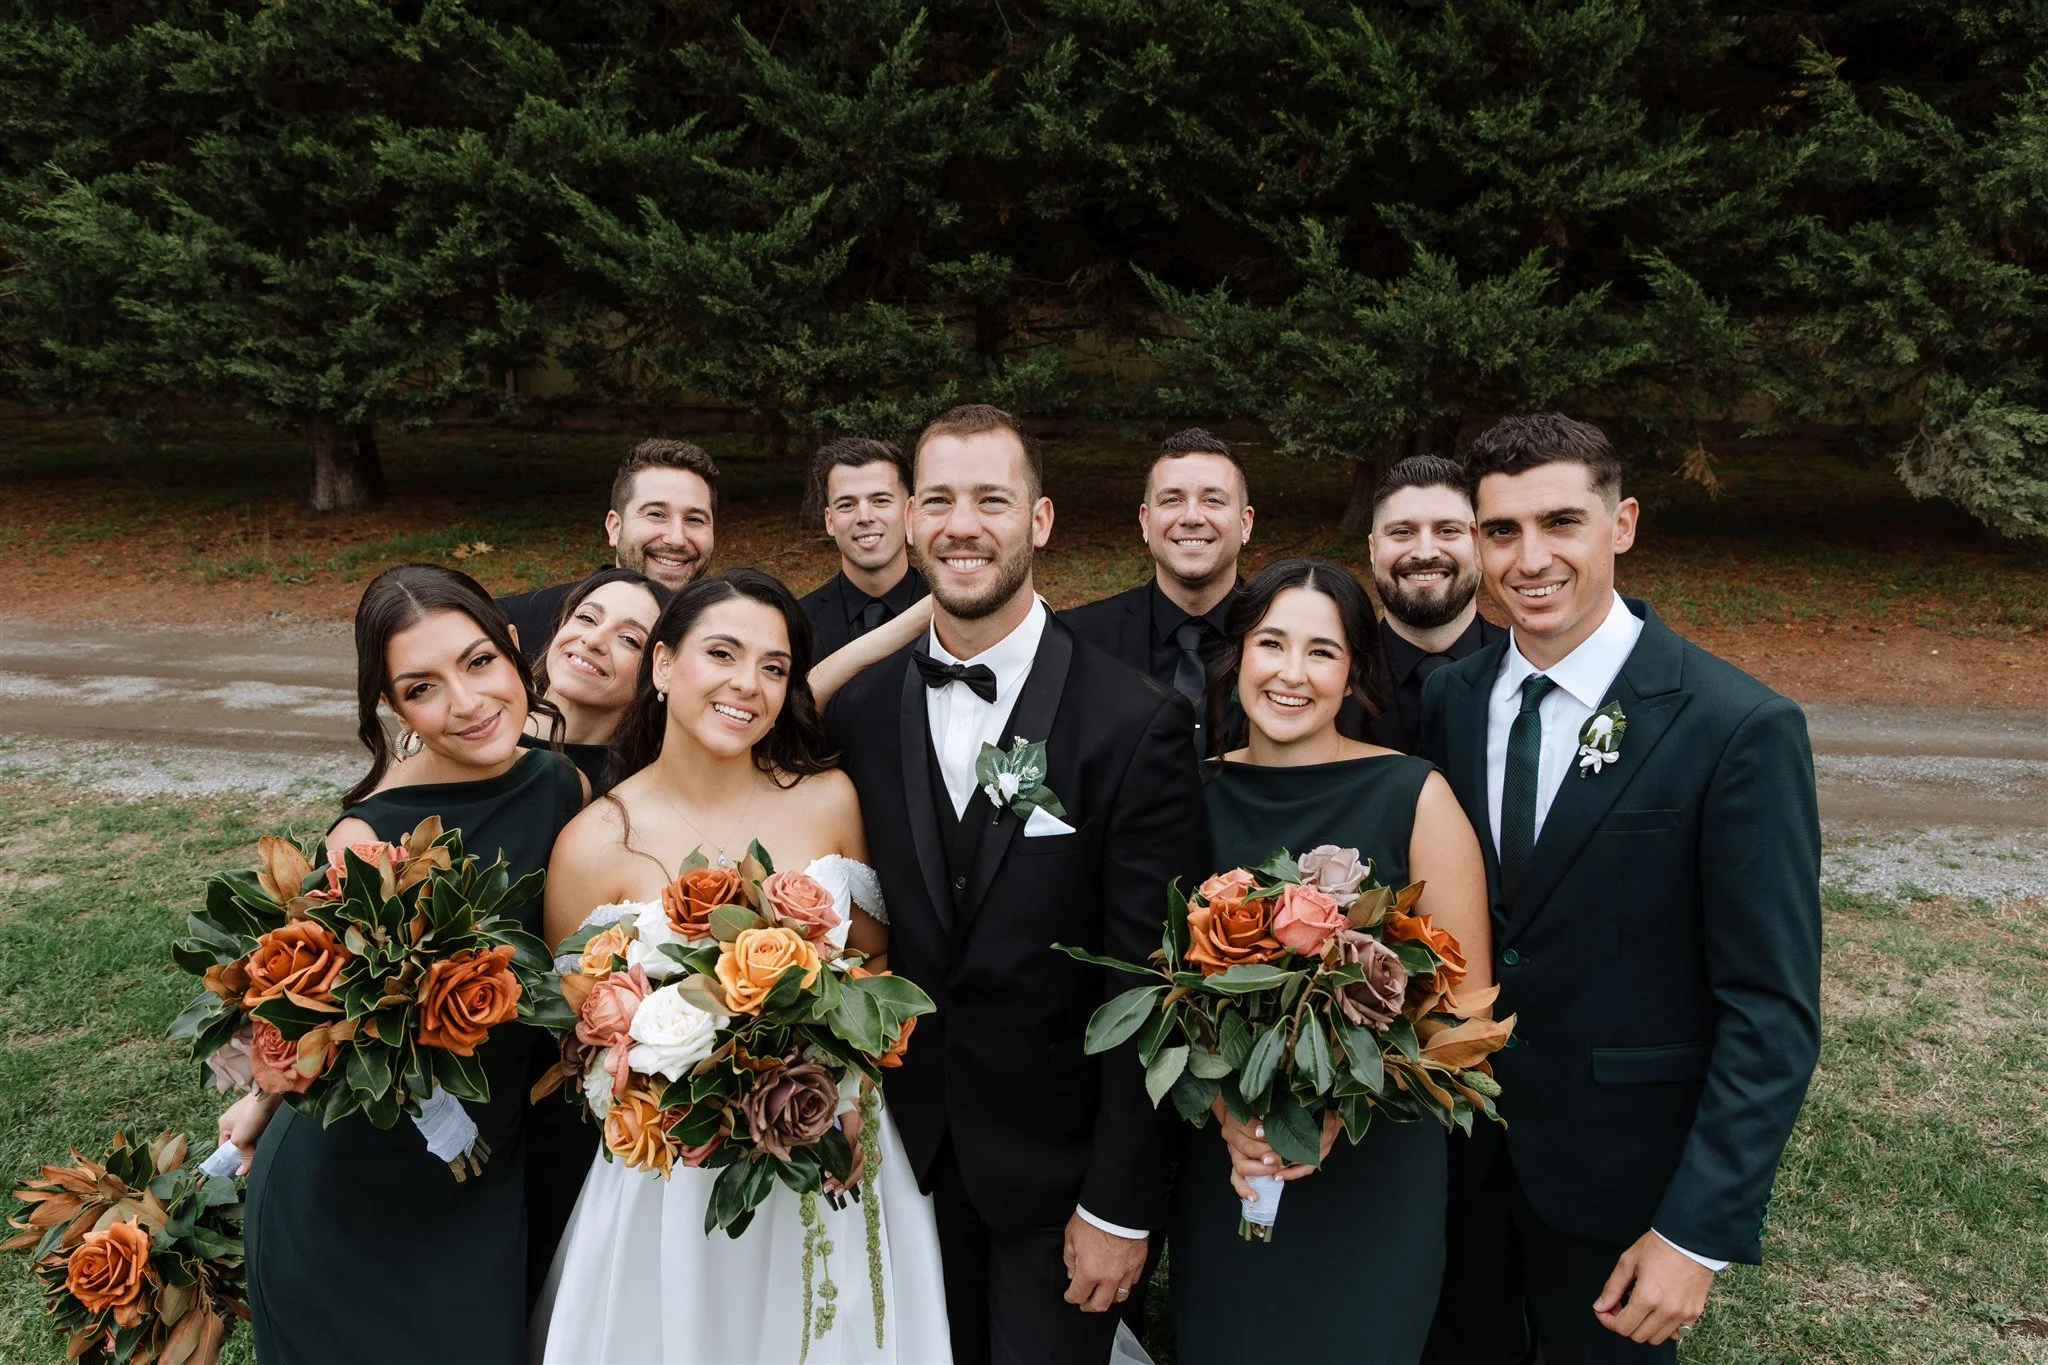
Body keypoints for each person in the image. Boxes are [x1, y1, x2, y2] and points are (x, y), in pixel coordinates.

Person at [1418, 414, 1821, 1364]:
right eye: (1502, 530)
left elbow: (1769, 1007)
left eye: (1562, 522)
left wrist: (1695, 1233)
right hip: (1456, 1167)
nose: (1530, 558)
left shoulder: (1738, 727)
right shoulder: (1451, 698)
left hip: (1620, 1187)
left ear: (1623, 523)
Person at [826, 404, 1206, 1365]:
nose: (964, 525)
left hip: (1060, 1182)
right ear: (909, 519)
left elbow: (1150, 983)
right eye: (941, 499)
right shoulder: (863, 714)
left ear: (1039, 521)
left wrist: (1121, 1199)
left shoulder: (1134, 722)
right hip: (894, 1168)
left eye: (992, 499)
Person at [531, 569, 953, 1364]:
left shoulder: (829, 799)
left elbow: (873, 962)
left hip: (834, 1139)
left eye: (773, 666)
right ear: (660, 666)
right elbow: (583, 1032)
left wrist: (843, 1084)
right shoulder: (593, 842)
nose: (746, 684)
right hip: (677, 1173)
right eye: (721, 653)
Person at [221, 564, 587, 1365]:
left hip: (482, 1178)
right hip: (353, 1192)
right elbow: (318, 1011)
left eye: (480, 661)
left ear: (516, 649)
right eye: (423, 687)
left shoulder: (563, 784)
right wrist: (261, 1096)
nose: (467, 702)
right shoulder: (368, 839)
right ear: (393, 707)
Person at [1169, 556, 1494, 1365]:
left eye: (1321, 651)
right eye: (1271, 643)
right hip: (1229, 1165)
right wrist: (1230, 1118)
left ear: (1353, 673)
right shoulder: (1184, 797)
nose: (1290, 672)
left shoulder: (1415, 794)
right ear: (1237, 655)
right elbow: (1162, 985)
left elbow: (1469, 1014)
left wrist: (1336, 1108)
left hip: (1373, 1172)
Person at [1061, 427, 1253, 757]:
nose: (1192, 517)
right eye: (1172, 500)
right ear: (1145, 522)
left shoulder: (1288, 639)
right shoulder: (1077, 639)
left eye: (1213, 500)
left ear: (1245, 523)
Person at [500, 438, 718, 659]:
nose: (677, 539)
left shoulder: (732, 642)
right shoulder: (518, 626)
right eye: (656, 514)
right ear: (615, 528)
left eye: (695, 519)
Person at [1366, 454, 1507, 755]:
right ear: (1372, 550)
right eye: (1402, 532)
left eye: (1447, 531)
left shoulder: (1533, 669)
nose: (1425, 552)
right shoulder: (1332, 676)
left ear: (1480, 544)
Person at [520, 566, 672, 794]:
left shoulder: (639, 792)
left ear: (658, 670)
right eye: (587, 618)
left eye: (629, 639)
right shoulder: (473, 726)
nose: (593, 640)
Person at [801, 436, 929, 657]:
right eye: (847, 504)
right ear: (829, 521)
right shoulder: (796, 621)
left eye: (880, 500)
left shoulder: (950, 611)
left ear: (909, 512)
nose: (864, 517)